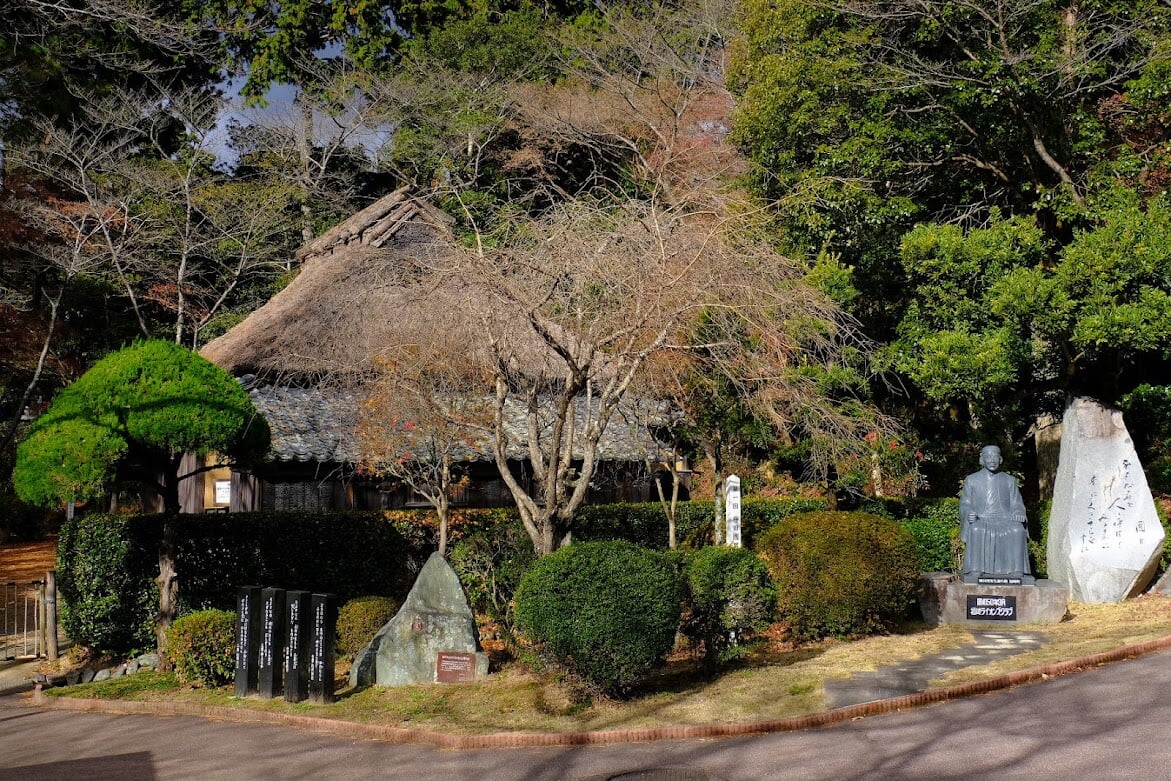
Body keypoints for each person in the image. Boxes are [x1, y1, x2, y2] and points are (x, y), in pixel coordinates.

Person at [959, 445, 1031, 581]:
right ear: (982, 460)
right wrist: (969, 512)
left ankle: (1016, 570)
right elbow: (965, 503)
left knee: (1017, 529)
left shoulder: (1009, 480)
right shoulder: (972, 480)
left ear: (1001, 459)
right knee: (976, 529)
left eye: (995, 457)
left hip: (1005, 518)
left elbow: (1017, 503)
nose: (992, 460)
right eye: (988, 456)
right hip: (982, 518)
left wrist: (1018, 512)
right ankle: (976, 570)